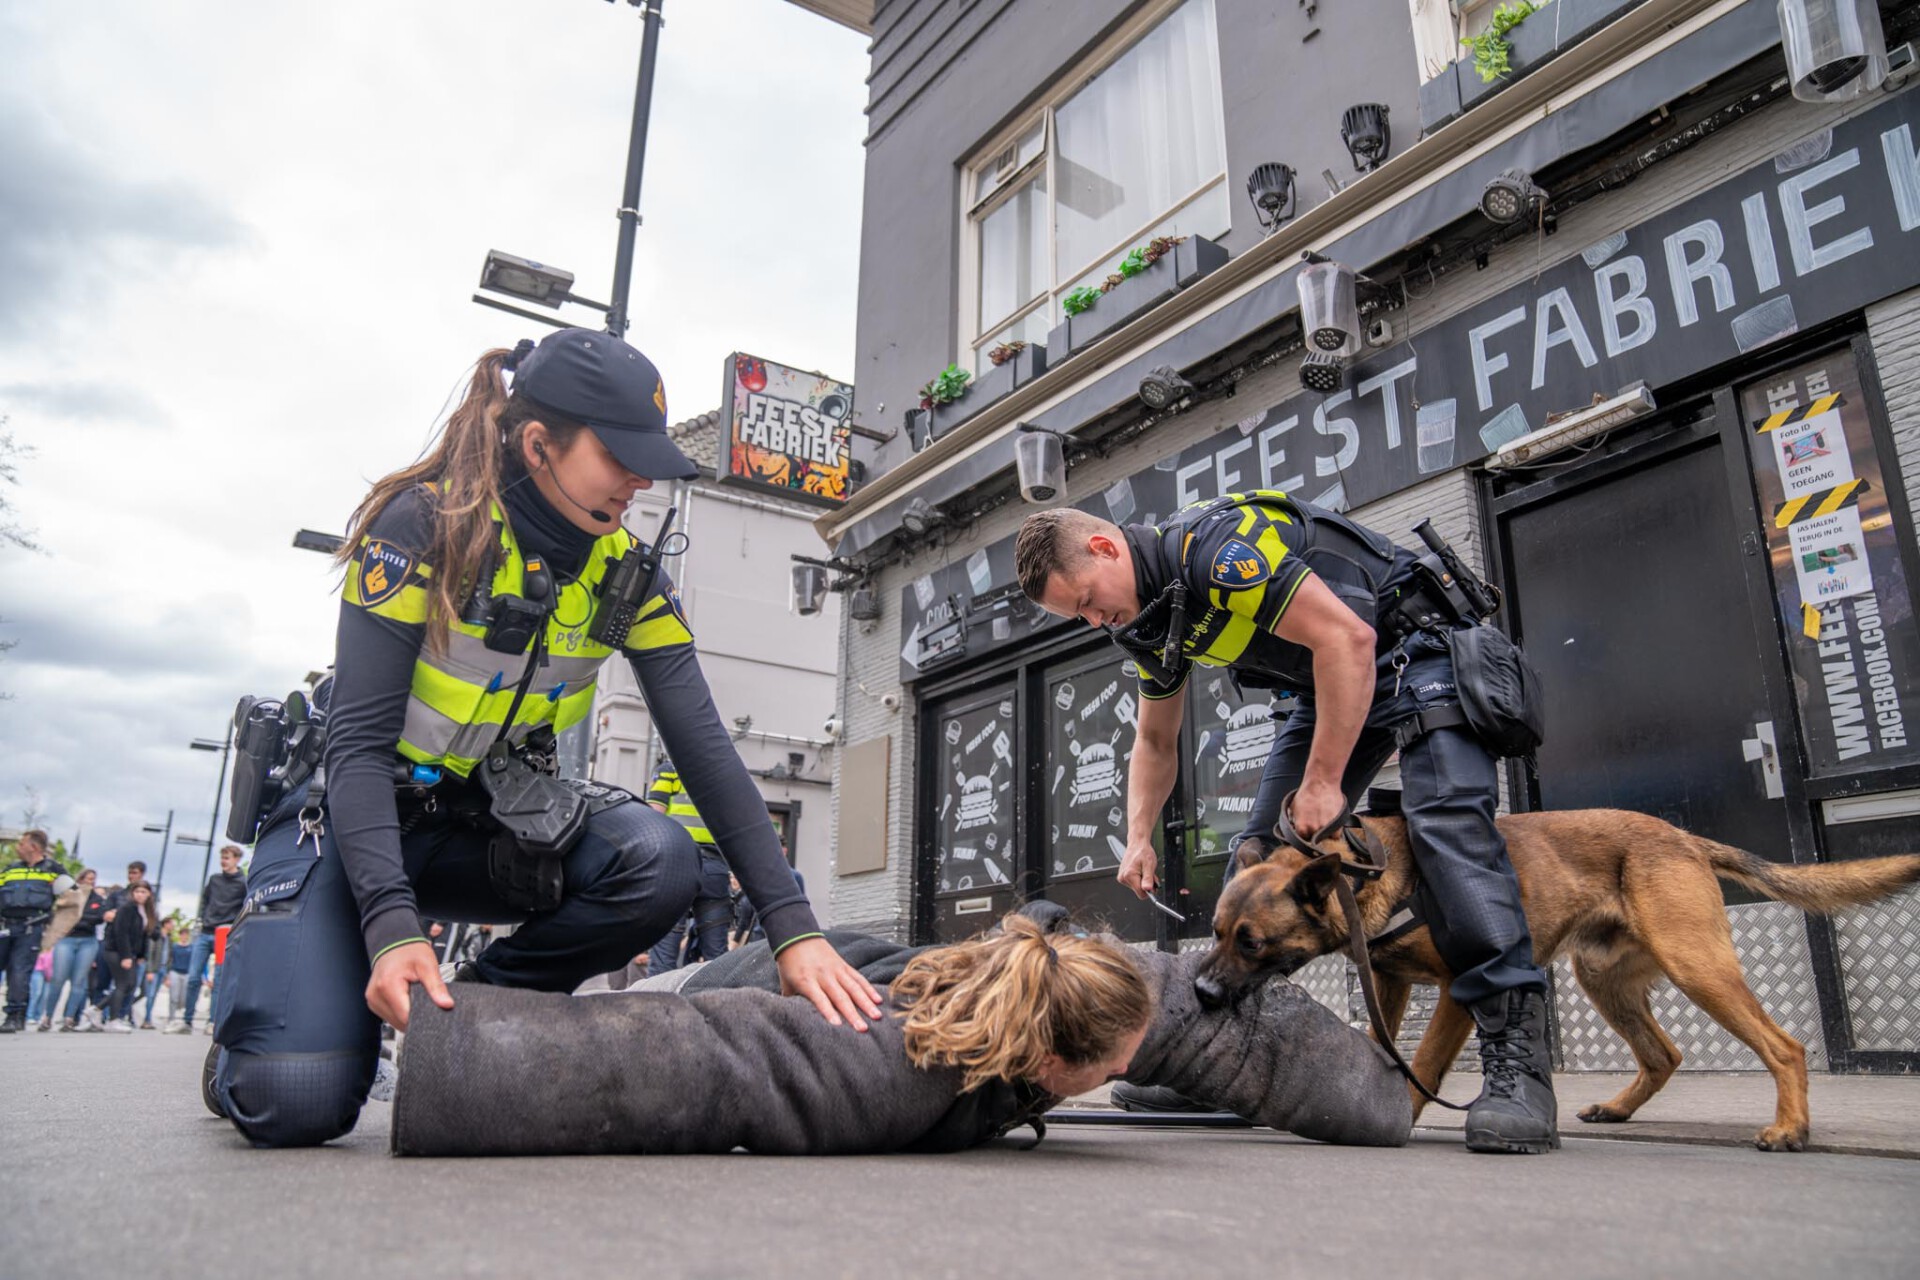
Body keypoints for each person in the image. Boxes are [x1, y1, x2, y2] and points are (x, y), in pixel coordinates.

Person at [211, 328, 879, 1148]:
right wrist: (391, 926)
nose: (640, 478)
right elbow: (354, 748)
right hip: (350, 823)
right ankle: (257, 1029)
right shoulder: (419, 526)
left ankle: (474, 1006)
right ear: (538, 444)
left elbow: (705, 748)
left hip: (480, 827)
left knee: (660, 858)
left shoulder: (625, 573)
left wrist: (793, 927)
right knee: (296, 1098)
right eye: (619, 455)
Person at [1015, 493, 1557, 1154]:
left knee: (1449, 835)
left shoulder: (1213, 553)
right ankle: (1220, 1056)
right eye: (1081, 616)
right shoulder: (1150, 621)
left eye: (1087, 602)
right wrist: (1136, 837)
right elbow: (1155, 742)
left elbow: (1347, 637)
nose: (1096, 620)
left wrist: (1325, 781)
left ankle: (1518, 1070)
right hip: (1324, 684)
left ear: (1104, 549)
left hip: (1418, 654)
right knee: (1259, 857)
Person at [391, 908, 1414, 1157]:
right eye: (1115, 1062)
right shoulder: (893, 1069)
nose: (1126, 1067)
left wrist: (1383, 1100)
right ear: (1056, 1062)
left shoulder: (1073, 986)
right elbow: (693, 1063)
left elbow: (1193, 1010)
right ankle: (482, 993)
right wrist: (449, 1045)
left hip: (835, 963)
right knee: (628, 1003)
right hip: (724, 984)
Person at [642, 759, 735, 974]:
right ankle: (716, 1004)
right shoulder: (723, 775)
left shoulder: (670, 771)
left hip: (677, 867)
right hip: (714, 871)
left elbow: (653, 816)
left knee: (664, 957)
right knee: (717, 959)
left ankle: (659, 1005)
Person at [0, 830, 71, 1033]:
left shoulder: (54, 870)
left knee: (19, 972)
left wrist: (54, 930)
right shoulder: (11, 869)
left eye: (21, 844)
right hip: (5, 926)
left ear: (34, 847)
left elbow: (73, 901)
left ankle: (15, 1015)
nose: (17, 847)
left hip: (31, 927)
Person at [176, 845, 245, 1032]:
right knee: (193, 977)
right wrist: (202, 917)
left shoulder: (243, 882)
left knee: (219, 980)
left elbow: (245, 906)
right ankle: (186, 1020)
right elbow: (205, 900)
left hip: (225, 932)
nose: (224, 861)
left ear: (237, 859)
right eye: (222, 857)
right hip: (206, 930)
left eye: (228, 857)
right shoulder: (214, 880)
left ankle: (212, 1021)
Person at [47, 869, 104, 1031]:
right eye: (88, 879)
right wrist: (84, 918)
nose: (91, 882)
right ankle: (47, 1017)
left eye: (93, 879)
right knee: (58, 979)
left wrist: (80, 919)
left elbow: (99, 917)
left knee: (79, 982)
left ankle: (69, 1019)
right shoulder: (69, 895)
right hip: (66, 939)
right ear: (80, 879)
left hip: (88, 941)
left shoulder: (97, 899)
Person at [102, 882, 157, 1032]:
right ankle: (113, 1019)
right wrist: (126, 956)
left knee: (130, 985)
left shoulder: (145, 911)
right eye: (137, 891)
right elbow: (122, 933)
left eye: (143, 892)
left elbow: (144, 936)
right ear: (132, 893)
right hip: (116, 951)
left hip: (130, 954)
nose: (140, 894)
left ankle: (96, 1009)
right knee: (123, 984)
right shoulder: (127, 908)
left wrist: (140, 955)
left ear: (149, 894)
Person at [141, 920, 177, 1029]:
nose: (173, 926)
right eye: (171, 923)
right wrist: (149, 970)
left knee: (153, 995)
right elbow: (150, 953)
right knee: (150, 995)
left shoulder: (169, 939)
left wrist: (167, 974)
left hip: (163, 969)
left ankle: (148, 1018)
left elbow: (170, 956)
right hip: (154, 969)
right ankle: (146, 1020)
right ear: (165, 924)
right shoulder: (156, 936)